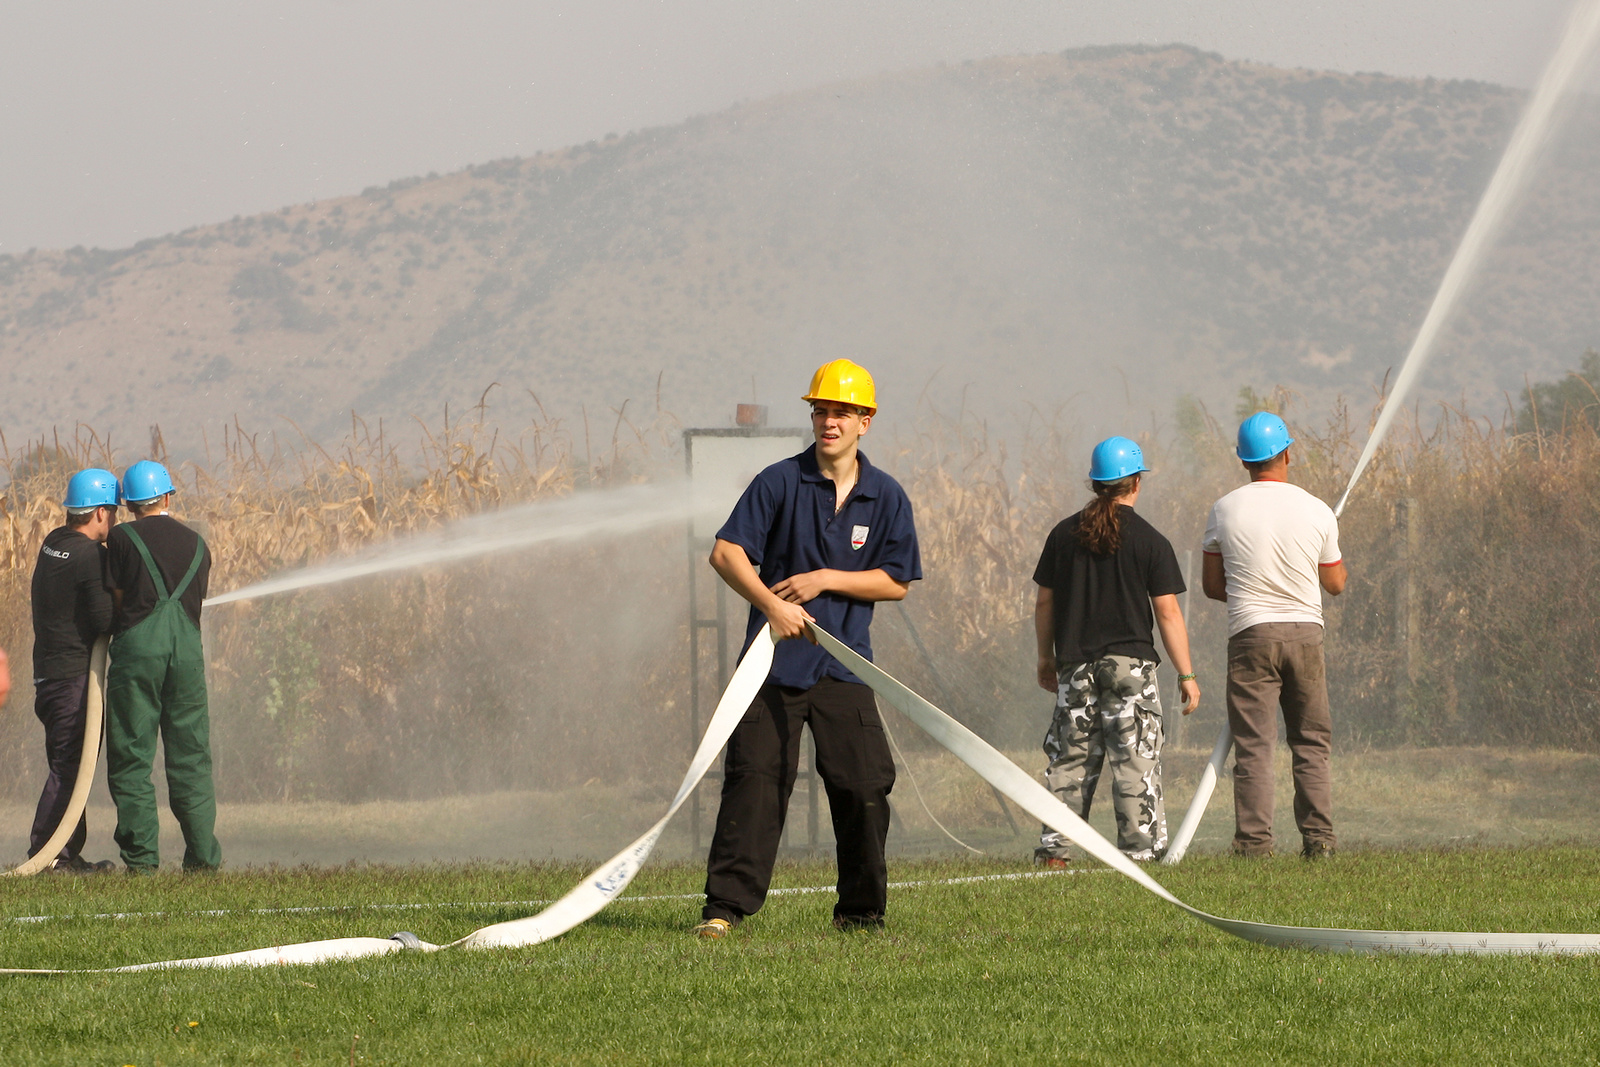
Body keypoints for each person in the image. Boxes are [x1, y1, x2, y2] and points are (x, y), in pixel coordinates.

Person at [695, 359, 921, 939]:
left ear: (866, 421)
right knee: (757, 780)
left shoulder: (885, 496)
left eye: (842, 412)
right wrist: (771, 606)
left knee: (865, 785)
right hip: (770, 665)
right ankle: (723, 911)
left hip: (844, 667)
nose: (829, 421)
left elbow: (895, 581)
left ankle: (861, 914)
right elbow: (726, 553)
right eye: (821, 410)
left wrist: (825, 579)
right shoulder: (779, 481)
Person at [1031, 437, 1199, 865]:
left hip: (1075, 664)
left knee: (1069, 760)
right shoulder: (1149, 539)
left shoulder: (1062, 535)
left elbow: (1045, 602)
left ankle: (1055, 854)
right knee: (1134, 759)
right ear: (1136, 482)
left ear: (1095, 483)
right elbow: (1168, 614)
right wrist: (1186, 674)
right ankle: (1140, 856)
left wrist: (1046, 658)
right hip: (1130, 667)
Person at [1202, 412, 1346, 860]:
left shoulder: (1224, 508)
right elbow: (1336, 583)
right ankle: (1319, 841)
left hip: (1250, 633)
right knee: (1309, 741)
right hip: (1306, 634)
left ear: (1244, 461)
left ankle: (1254, 845)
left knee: (1254, 745)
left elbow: (1212, 586)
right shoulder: (1317, 509)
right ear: (1287, 452)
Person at [103, 460, 222, 873]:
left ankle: (142, 865)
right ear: (168, 496)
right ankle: (204, 862)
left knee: (132, 757)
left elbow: (116, 600)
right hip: (187, 656)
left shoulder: (119, 539)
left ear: (129, 504)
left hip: (138, 653)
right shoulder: (198, 544)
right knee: (191, 758)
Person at [27, 469, 121, 873]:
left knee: (67, 764)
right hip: (72, 680)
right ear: (100, 512)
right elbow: (105, 621)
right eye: (112, 512)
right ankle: (45, 858)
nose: (113, 520)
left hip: (48, 675)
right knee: (70, 767)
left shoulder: (53, 543)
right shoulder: (89, 556)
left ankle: (65, 855)